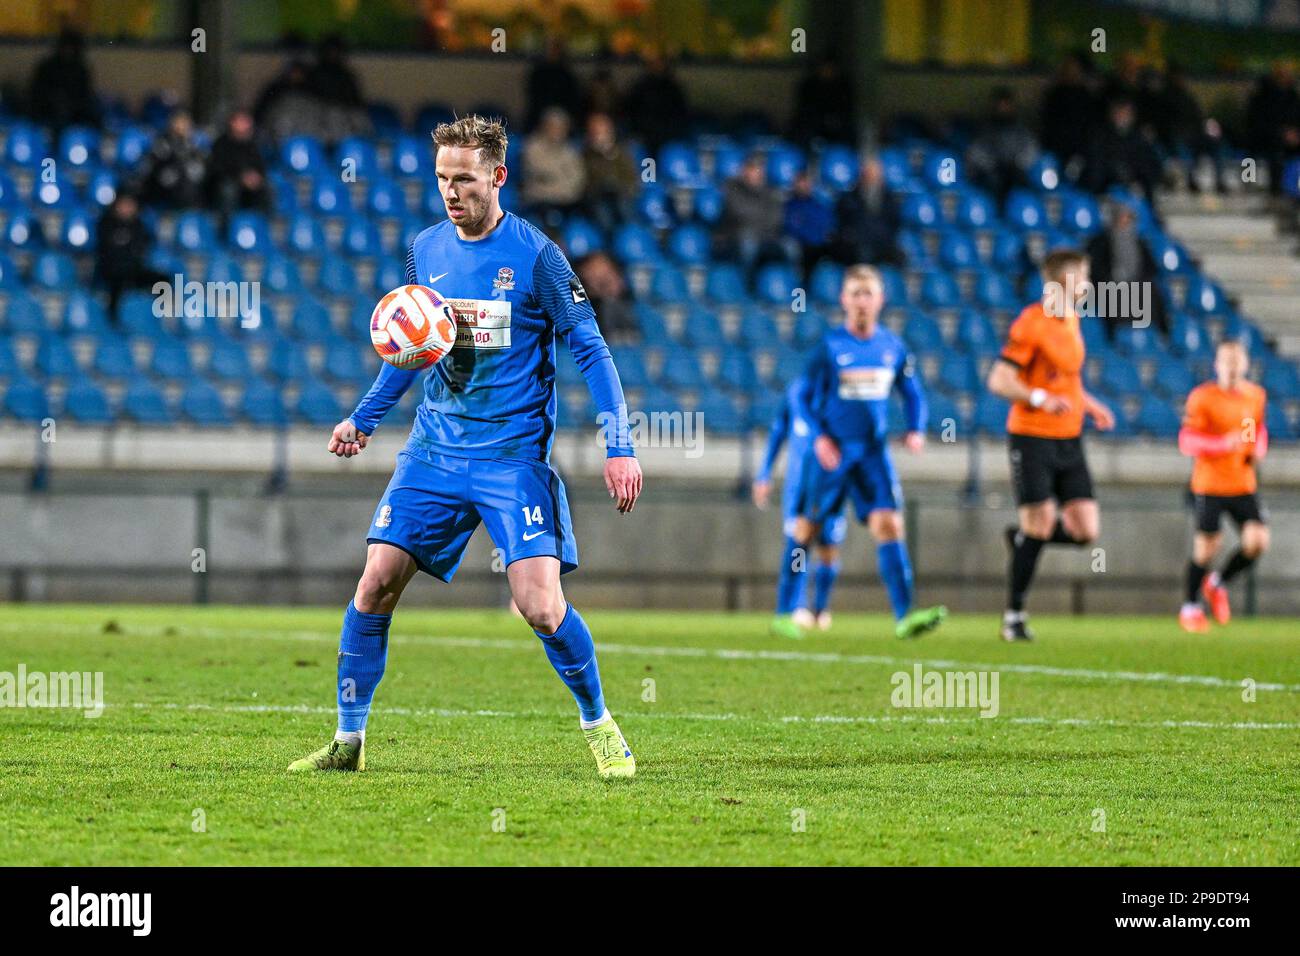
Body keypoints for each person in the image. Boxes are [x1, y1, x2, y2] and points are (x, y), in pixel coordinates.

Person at [287, 116, 643, 779]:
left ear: (498, 177)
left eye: (465, 178)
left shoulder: (537, 256)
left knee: (540, 605)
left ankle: (600, 725)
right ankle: (348, 741)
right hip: (434, 453)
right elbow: (413, 348)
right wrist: (362, 419)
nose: (451, 191)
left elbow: (590, 348)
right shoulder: (425, 250)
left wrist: (618, 444)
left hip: (512, 459)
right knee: (374, 584)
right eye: (443, 178)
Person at [793, 265, 948, 640]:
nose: (862, 301)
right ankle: (791, 607)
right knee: (808, 529)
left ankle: (904, 616)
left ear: (881, 300)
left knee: (889, 524)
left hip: (874, 454)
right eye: (855, 294)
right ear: (844, 300)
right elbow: (801, 397)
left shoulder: (893, 347)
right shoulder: (829, 346)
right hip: (833, 453)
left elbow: (912, 393)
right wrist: (818, 437)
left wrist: (915, 429)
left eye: (869, 293)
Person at [986, 249, 1116, 642]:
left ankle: (1026, 539)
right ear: (1063, 281)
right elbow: (999, 380)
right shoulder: (1031, 324)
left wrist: (1090, 405)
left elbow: (1068, 378)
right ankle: (1014, 617)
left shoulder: (1073, 319)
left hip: (1070, 437)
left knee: (1085, 530)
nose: (1088, 285)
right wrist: (1039, 398)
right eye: (1083, 277)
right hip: (1032, 436)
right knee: (1040, 522)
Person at [1177, 341, 1270, 633]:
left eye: (1236, 361)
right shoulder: (1202, 398)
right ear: (1216, 365)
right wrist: (1221, 444)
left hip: (1242, 482)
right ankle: (1190, 607)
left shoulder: (1255, 396)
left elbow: (1256, 429)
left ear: (1245, 365)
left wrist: (1259, 447)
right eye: (1226, 361)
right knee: (1206, 548)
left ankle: (1217, 584)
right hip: (1210, 484)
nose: (1231, 366)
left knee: (1257, 541)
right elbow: (1187, 441)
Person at [753, 376, 847, 637]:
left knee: (829, 547)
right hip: (799, 485)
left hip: (831, 482)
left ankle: (820, 609)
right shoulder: (796, 391)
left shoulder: (843, 394)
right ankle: (792, 608)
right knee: (799, 544)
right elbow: (778, 431)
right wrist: (764, 473)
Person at [1085, 198, 1169, 339]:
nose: (1125, 221)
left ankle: (1158, 337)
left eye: (1128, 218)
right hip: (1109, 285)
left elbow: (1151, 268)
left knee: (1153, 293)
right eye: (1122, 217)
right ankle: (1115, 336)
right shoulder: (1100, 241)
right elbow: (1095, 268)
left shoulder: (1139, 242)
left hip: (1136, 284)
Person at [719, 153, 797, 278]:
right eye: (751, 170)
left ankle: (794, 285)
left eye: (758, 170)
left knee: (791, 246)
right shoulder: (732, 188)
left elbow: (776, 217)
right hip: (738, 236)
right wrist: (759, 215)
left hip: (767, 236)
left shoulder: (770, 191)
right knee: (748, 246)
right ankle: (746, 284)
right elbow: (738, 212)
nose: (755, 174)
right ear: (744, 171)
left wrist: (758, 219)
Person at [94, 192, 167, 322]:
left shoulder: (138, 225)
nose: (127, 209)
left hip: (133, 268)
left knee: (162, 281)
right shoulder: (106, 223)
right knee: (118, 282)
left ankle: (158, 316)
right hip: (111, 270)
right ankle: (113, 319)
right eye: (124, 205)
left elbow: (143, 245)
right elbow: (105, 250)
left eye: (130, 205)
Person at [966, 87, 1039, 204]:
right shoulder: (985, 131)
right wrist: (993, 165)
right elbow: (975, 152)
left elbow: (1031, 150)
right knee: (993, 182)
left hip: (1015, 172)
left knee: (1023, 186)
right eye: (1000, 106)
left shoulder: (1021, 131)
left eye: (1006, 106)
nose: (1003, 109)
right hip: (991, 173)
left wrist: (1016, 165)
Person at [1084, 97, 1161, 205]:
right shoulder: (1101, 138)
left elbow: (1151, 166)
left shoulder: (1139, 139)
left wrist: (1142, 184)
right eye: (1119, 113)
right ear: (1112, 115)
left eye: (1126, 113)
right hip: (1109, 192)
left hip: (1138, 193)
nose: (1123, 117)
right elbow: (1097, 170)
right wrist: (1125, 182)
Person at [832, 156, 902, 267]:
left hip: (881, 246)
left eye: (875, 174)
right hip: (855, 248)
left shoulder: (890, 201)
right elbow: (842, 224)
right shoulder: (849, 199)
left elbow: (894, 224)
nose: (872, 177)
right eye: (868, 173)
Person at [521, 107, 585, 228]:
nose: (557, 130)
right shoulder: (533, 148)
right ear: (545, 126)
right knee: (550, 219)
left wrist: (561, 184)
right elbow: (541, 175)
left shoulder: (570, 150)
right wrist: (561, 179)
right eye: (553, 126)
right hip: (541, 200)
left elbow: (577, 178)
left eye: (561, 127)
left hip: (567, 201)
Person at [29, 28, 99, 135]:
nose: (68, 50)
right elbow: (37, 92)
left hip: (74, 113)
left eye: (71, 47)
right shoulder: (47, 67)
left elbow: (85, 95)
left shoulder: (80, 69)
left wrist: (71, 105)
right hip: (48, 110)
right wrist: (55, 101)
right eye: (65, 46)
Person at [206, 110, 270, 221]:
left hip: (249, 185)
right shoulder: (221, 144)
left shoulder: (252, 144)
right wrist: (241, 177)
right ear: (232, 123)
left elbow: (260, 166)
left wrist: (257, 177)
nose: (247, 124)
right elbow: (218, 169)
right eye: (242, 121)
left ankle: (263, 226)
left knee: (268, 188)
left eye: (247, 121)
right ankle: (227, 227)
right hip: (228, 182)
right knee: (228, 190)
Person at [581, 111, 639, 232]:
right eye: (596, 133)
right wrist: (600, 156)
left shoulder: (622, 153)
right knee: (603, 216)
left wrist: (610, 155)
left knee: (625, 209)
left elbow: (631, 178)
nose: (601, 137)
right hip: (597, 198)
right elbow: (584, 182)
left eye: (604, 132)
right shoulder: (585, 156)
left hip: (621, 196)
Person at [622, 53, 687, 156]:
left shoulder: (672, 88)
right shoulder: (640, 86)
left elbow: (680, 112)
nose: (657, 66)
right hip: (645, 135)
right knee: (648, 163)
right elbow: (631, 110)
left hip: (666, 136)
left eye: (660, 63)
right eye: (653, 63)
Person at [141, 111, 207, 209]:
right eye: (178, 123)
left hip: (187, 183)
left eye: (185, 123)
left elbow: (200, 162)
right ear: (172, 124)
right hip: (165, 182)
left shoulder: (195, 142)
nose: (181, 127)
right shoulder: (162, 140)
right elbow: (158, 162)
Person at [784, 170, 835, 281]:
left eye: (806, 182)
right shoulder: (790, 206)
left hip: (819, 244)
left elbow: (827, 224)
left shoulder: (819, 204)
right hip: (801, 243)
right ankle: (798, 287)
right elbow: (791, 227)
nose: (804, 185)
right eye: (800, 182)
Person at [525, 37, 583, 131]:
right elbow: (535, 99)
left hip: (564, 117)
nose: (553, 52)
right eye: (551, 49)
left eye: (556, 48)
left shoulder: (567, 74)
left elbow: (572, 100)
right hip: (539, 117)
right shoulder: (538, 73)